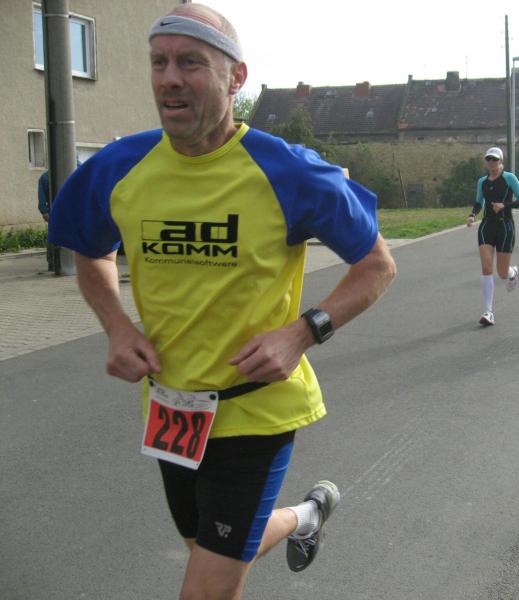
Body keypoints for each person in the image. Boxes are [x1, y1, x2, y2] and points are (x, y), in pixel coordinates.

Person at [48, 4, 396, 599]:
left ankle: (293, 517)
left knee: (206, 586)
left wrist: (302, 332)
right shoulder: (118, 168)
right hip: (173, 408)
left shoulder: (288, 172)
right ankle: (305, 516)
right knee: (210, 546)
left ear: (236, 78)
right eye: (159, 63)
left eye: (190, 63)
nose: (169, 79)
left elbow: (377, 265)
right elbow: (90, 249)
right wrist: (117, 326)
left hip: (256, 408)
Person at [467, 146, 519, 326]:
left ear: (501, 161)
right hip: (487, 226)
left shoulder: (509, 178)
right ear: (485, 161)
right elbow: (478, 202)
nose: (491, 162)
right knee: (486, 267)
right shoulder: (482, 181)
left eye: (495, 159)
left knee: (501, 273)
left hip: (505, 226)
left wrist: (504, 205)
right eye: (489, 159)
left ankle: (512, 273)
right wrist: (472, 215)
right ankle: (488, 312)